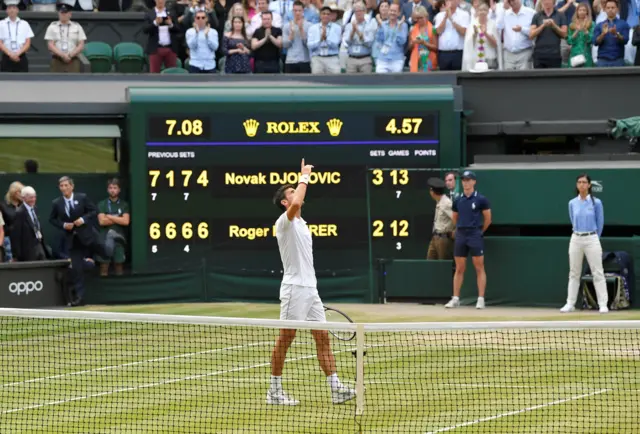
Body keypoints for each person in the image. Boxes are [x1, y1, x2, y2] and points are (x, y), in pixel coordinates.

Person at [267, 159, 356, 406]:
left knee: (322, 338)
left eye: (295, 188)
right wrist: (304, 176)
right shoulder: (284, 222)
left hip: (311, 290)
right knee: (286, 338)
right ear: (285, 203)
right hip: (294, 289)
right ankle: (274, 391)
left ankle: (336, 388)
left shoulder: (303, 225)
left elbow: (298, 201)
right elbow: (296, 202)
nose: (296, 194)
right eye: (291, 192)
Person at [49, 176, 124, 306]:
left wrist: (83, 220)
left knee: (107, 254)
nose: (64, 188)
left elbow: (94, 211)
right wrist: (63, 225)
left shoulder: (82, 197)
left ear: (72, 187)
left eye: (66, 185)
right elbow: (52, 219)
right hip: (73, 241)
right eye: (62, 186)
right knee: (77, 269)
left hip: (89, 236)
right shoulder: (57, 203)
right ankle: (79, 298)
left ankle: (111, 236)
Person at [560, 174, 608, 314]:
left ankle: (603, 304)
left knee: (597, 272)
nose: (581, 184)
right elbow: (572, 220)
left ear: (589, 185)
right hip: (576, 238)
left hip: (592, 238)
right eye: (579, 182)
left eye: (584, 182)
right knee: (574, 273)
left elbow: (600, 222)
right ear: (577, 185)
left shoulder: (596, 203)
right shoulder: (572, 203)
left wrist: (595, 238)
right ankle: (570, 303)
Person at [445, 170, 492, 309]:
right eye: (464, 180)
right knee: (459, 268)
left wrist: (479, 231)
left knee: (479, 267)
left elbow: (488, 219)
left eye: (468, 180)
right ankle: (455, 298)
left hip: (475, 235)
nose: (466, 182)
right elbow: (454, 218)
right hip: (461, 235)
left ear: (474, 182)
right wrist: (460, 228)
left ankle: (481, 299)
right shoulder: (458, 200)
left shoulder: (481, 199)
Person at [97, 178, 130, 276]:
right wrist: (118, 218)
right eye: (110, 188)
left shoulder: (124, 205)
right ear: (107, 189)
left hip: (119, 239)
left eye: (115, 188)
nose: (112, 190)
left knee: (119, 266)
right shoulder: (102, 204)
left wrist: (110, 216)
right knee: (104, 266)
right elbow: (102, 221)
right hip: (104, 238)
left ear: (119, 190)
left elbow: (125, 221)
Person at [10, 186, 50, 262]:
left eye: (34, 197)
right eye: (31, 197)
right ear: (23, 198)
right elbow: (15, 236)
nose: (33, 199)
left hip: (39, 245)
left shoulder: (35, 208)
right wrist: (16, 255)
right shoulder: (19, 213)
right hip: (27, 250)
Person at [0, 0, 34, 73]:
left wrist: (17, 54)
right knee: (6, 82)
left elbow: (28, 43)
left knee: (23, 82)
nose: (12, 10)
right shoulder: (1, 24)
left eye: (14, 8)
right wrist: (10, 54)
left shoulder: (25, 24)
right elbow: (0, 43)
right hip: (6, 57)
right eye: (9, 8)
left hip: (21, 57)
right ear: (6, 10)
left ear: (17, 10)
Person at [427, 177, 454, 260]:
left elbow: (457, 218)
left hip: (444, 239)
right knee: (430, 262)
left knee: (443, 265)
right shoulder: (438, 201)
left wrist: (455, 231)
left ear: (432, 192)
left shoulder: (446, 203)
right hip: (435, 237)